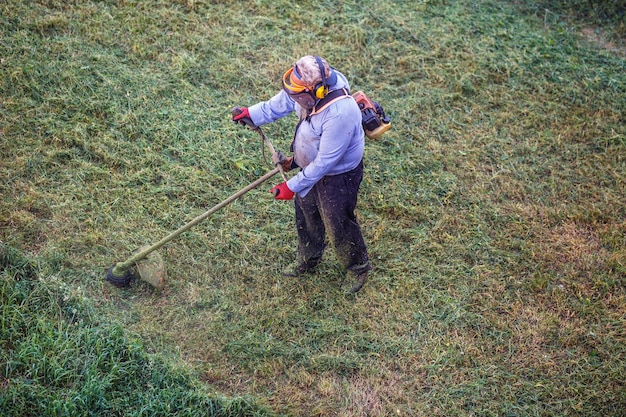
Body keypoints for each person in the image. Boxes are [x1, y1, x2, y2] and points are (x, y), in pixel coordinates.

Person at [232, 55, 371, 293]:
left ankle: (357, 267)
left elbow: (325, 162)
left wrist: (292, 185)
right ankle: (309, 257)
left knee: (337, 221)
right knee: (306, 213)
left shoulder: (340, 113)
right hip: (311, 167)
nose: (293, 98)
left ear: (316, 92)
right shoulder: (307, 89)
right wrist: (251, 114)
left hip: (337, 177)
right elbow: (280, 103)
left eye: (297, 95)